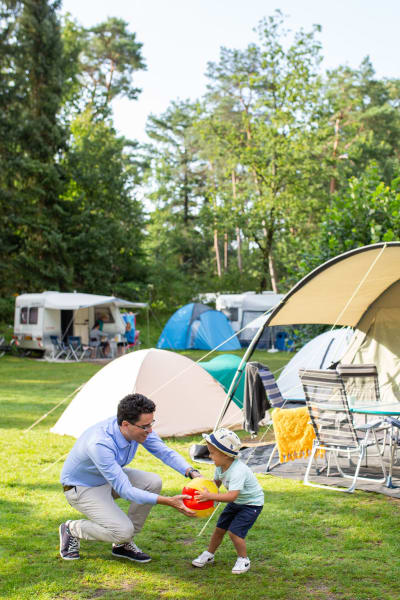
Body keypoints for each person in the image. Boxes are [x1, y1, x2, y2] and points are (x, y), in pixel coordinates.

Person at [59, 393, 201, 562]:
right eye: (145, 426)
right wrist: (169, 501)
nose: (150, 430)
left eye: (151, 424)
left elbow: (164, 452)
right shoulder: (100, 443)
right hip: (82, 488)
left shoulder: (135, 429)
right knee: (122, 531)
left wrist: (192, 472)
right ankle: (71, 529)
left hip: (107, 478)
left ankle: (123, 544)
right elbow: (126, 491)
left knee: (152, 482)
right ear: (125, 424)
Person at [191, 428, 264, 575]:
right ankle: (209, 554)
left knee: (234, 533)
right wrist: (205, 490)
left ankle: (244, 559)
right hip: (237, 502)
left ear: (225, 455)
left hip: (251, 504)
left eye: (212, 453)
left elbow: (232, 496)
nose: (210, 456)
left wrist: (210, 496)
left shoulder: (238, 471)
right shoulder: (220, 466)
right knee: (219, 529)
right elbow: (216, 484)